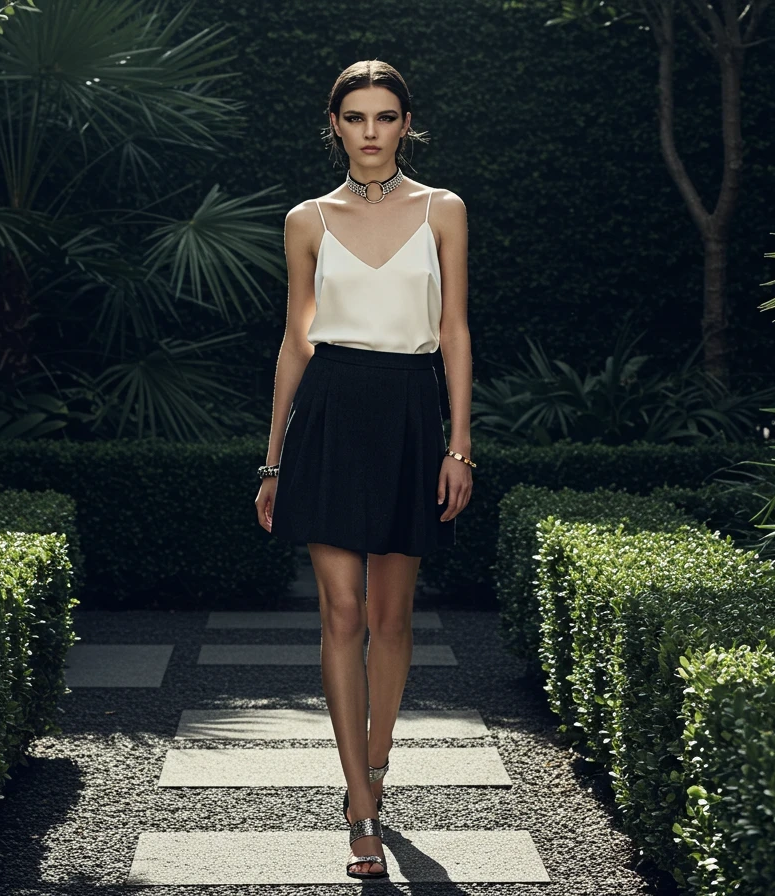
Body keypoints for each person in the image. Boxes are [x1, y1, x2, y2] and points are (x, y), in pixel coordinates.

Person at [254, 59, 475, 880]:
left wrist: (459, 444)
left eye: (386, 117)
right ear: (336, 125)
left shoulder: (442, 209)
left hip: (412, 413)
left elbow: (454, 330)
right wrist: (273, 460)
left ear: (406, 124)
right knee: (340, 614)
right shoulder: (306, 219)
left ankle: (376, 765)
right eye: (356, 118)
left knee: (391, 617)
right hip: (331, 411)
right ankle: (362, 806)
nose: (372, 132)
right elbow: (294, 341)